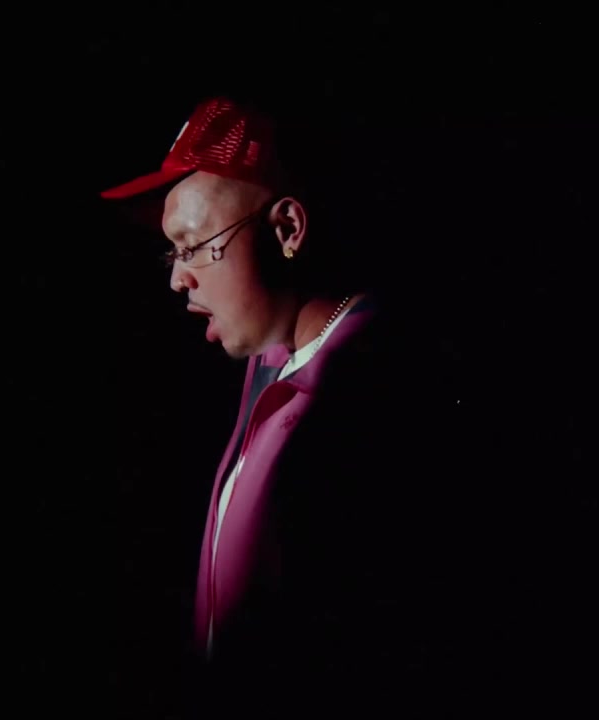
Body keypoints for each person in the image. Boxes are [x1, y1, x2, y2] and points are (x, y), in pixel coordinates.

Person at [100, 95, 462, 717]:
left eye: (193, 245)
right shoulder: (274, 367)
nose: (177, 278)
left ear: (288, 229)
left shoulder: (367, 403)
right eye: (171, 252)